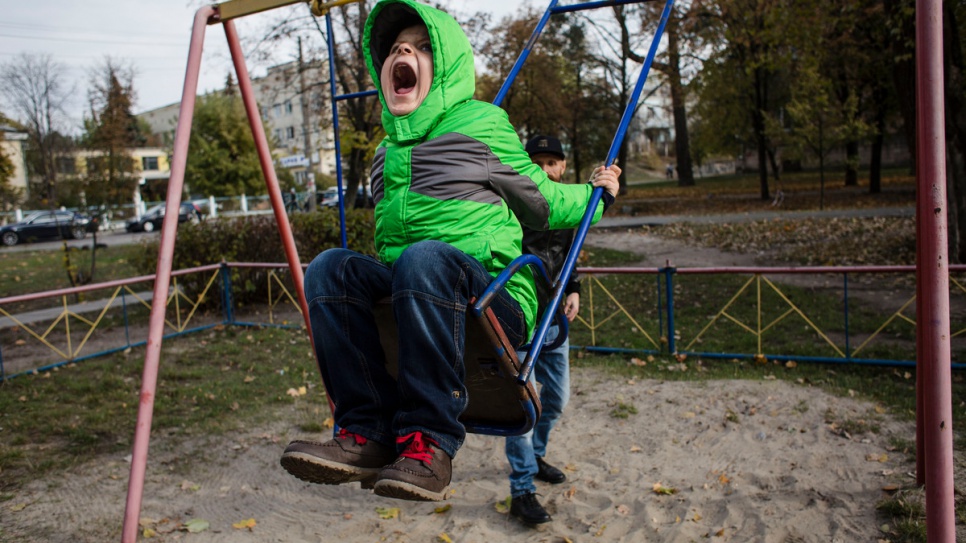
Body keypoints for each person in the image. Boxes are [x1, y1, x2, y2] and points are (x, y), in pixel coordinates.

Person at [279, 0, 621, 503]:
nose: (403, 49)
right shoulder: (383, 154)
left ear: (445, 67)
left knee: (425, 257)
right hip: (419, 290)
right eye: (397, 46)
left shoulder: (482, 124)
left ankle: (428, 443)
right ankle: (366, 431)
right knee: (332, 268)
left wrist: (598, 194)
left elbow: (545, 206)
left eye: (421, 46)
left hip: (492, 296)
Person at [505, 135, 581, 525]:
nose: (548, 169)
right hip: (520, 316)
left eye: (554, 162)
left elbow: (570, 256)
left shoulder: (569, 205)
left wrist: (574, 288)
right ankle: (521, 490)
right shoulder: (514, 204)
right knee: (522, 407)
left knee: (557, 400)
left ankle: (535, 456)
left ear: (563, 167)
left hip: (554, 316)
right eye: (539, 162)